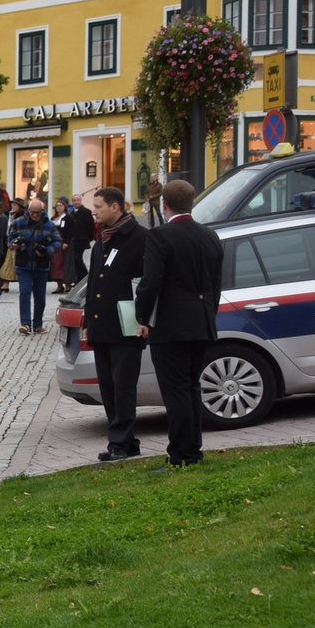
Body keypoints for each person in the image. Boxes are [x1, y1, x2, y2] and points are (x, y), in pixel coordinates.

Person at [134, 180, 224, 467]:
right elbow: (216, 284)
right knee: (192, 387)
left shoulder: (160, 236)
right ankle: (193, 449)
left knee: (175, 391)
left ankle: (181, 454)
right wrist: (209, 314)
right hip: (202, 321)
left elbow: (150, 283)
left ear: (164, 205)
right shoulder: (210, 235)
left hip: (172, 324)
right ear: (191, 203)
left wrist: (141, 317)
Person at [83, 186, 149, 462]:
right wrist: (88, 319)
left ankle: (119, 442)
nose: (94, 212)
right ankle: (126, 441)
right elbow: (94, 282)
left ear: (115, 207)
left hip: (127, 325)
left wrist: (144, 318)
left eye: (98, 207)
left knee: (123, 387)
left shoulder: (140, 238)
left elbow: (146, 283)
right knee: (108, 388)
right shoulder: (103, 238)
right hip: (102, 326)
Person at [8, 198, 62, 335]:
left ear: (42, 211)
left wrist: (47, 250)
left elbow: (58, 242)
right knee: (25, 293)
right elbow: (9, 239)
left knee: (40, 297)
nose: (35, 215)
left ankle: (38, 324)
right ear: (28, 210)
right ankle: (25, 324)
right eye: (33, 212)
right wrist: (14, 244)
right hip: (23, 264)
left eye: (38, 212)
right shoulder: (18, 222)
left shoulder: (49, 225)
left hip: (41, 266)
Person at [64, 192, 96, 285]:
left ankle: (85, 276)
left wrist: (89, 238)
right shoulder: (70, 213)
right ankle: (79, 278)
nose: (76, 202)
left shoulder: (86, 212)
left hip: (82, 239)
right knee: (75, 259)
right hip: (73, 240)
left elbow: (90, 226)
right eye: (74, 200)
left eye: (78, 200)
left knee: (77, 258)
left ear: (81, 201)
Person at [49, 197, 71, 292]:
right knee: (55, 264)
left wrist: (66, 242)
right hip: (55, 243)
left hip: (64, 243)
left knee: (65, 264)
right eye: (57, 206)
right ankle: (59, 285)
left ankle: (67, 284)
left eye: (61, 205)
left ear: (64, 207)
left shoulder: (68, 218)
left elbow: (71, 231)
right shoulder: (53, 218)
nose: (59, 207)